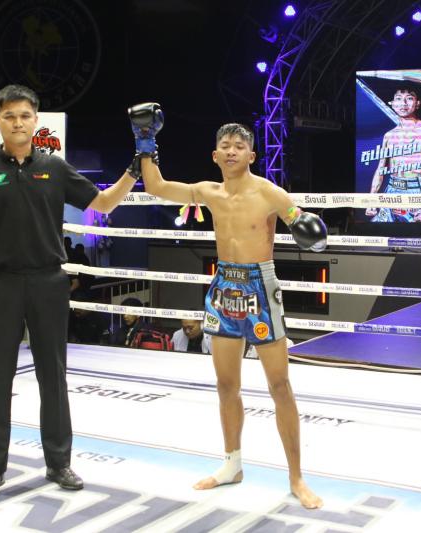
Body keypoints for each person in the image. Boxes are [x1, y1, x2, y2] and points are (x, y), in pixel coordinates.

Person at [0, 84, 139, 500]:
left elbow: (104, 203)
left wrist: (134, 169)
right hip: (0, 283)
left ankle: (59, 462)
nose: (18, 123)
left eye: (25, 115)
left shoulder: (55, 168)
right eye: (10, 116)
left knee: (53, 376)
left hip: (48, 282)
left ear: (35, 120)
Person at [133, 102, 327, 509]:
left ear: (252, 155)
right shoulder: (209, 192)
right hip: (224, 287)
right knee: (225, 385)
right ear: (215, 155)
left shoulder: (269, 192)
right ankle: (232, 465)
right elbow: (156, 187)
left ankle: (296, 477)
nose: (233, 150)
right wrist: (145, 142)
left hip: (260, 288)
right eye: (226, 145)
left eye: (240, 145)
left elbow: (298, 217)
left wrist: (307, 226)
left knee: (280, 385)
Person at [365, 86, 421, 223]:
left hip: (416, 193)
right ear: (392, 103)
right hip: (391, 191)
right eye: (399, 98)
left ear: (417, 103)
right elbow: (380, 170)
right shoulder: (389, 135)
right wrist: (371, 200)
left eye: (409, 98)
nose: (404, 103)